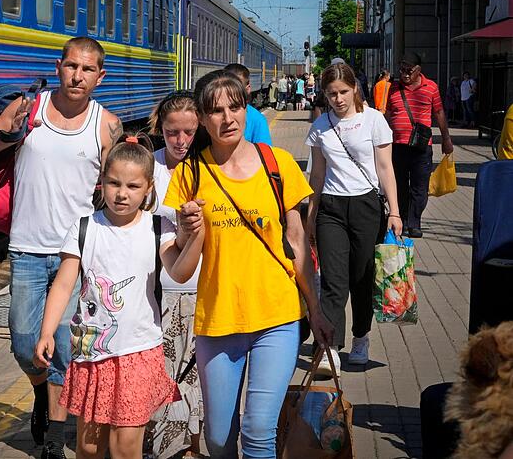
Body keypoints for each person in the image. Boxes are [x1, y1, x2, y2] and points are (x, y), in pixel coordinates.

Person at [163, 70, 334, 458]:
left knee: (259, 430)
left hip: (277, 314)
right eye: (216, 110)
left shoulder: (278, 164)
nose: (228, 118)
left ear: (247, 109)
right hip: (219, 318)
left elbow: (297, 243)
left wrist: (316, 309)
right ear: (202, 118)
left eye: (235, 107)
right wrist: (189, 232)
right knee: (219, 439)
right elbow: (181, 267)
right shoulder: (190, 174)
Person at [0, 37, 121, 458]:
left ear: (100, 76)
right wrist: (9, 134)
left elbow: (118, 186)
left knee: (64, 346)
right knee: (23, 342)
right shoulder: (28, 108)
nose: (78, 76)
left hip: (76, 254)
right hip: (27, 248)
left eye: (87, 70)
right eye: (71, 66)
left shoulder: (107, 125)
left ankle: (54, 436)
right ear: (58, 67)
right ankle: (40, 392)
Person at [33, 134, 203, 459]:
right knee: (89, 448)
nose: (122, 193)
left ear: (149, 187)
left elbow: (180, 272)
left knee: (125, 447)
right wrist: (46, 332)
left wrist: (196, 235)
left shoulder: (158, 228)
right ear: (102, 182)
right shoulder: (84, 228)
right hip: (92, 355)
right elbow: (64, 285)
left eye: (133, 186)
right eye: (114, 183)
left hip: (139, 351)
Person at [305, 63, 402, 374]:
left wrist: (395, 210)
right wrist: (310, 216)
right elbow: (317, 175)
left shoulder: (373, 120)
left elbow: (385, 168)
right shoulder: (320, 126)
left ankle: (361, 338)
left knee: (362, 278)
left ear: (355, 88)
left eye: (343, 92)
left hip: (366, 206)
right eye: (331, 94)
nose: (338, 99)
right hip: (331, 209)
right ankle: (330, 347)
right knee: (333, 281)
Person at [147, 91, 204, 459]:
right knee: (164, 375)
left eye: (189, 132)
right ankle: (162, 448)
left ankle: (193, 448)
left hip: (204, 288)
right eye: (172, 133)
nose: (181, 141)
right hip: (158, 289)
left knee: (196, 379)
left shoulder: (209, 166)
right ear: (160, 129)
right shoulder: (147, 168)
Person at [385, 52, 454, 238]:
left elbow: (439, 112)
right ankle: (403, 219)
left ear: (418, 70)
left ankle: (414, 222)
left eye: (409, 71)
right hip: (397, 146)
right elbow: (388, 114)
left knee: (420, 187)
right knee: (399, 185)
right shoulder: (393, 87)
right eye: (402, 70)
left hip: (421, 147)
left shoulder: (431, 87)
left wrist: (446, 138)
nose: (405, 74)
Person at [223, 63, 273, 146]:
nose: (228, 119)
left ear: (248, 88)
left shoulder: (257, 120)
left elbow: (264, 151)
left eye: (238, 87)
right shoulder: (257, 119)